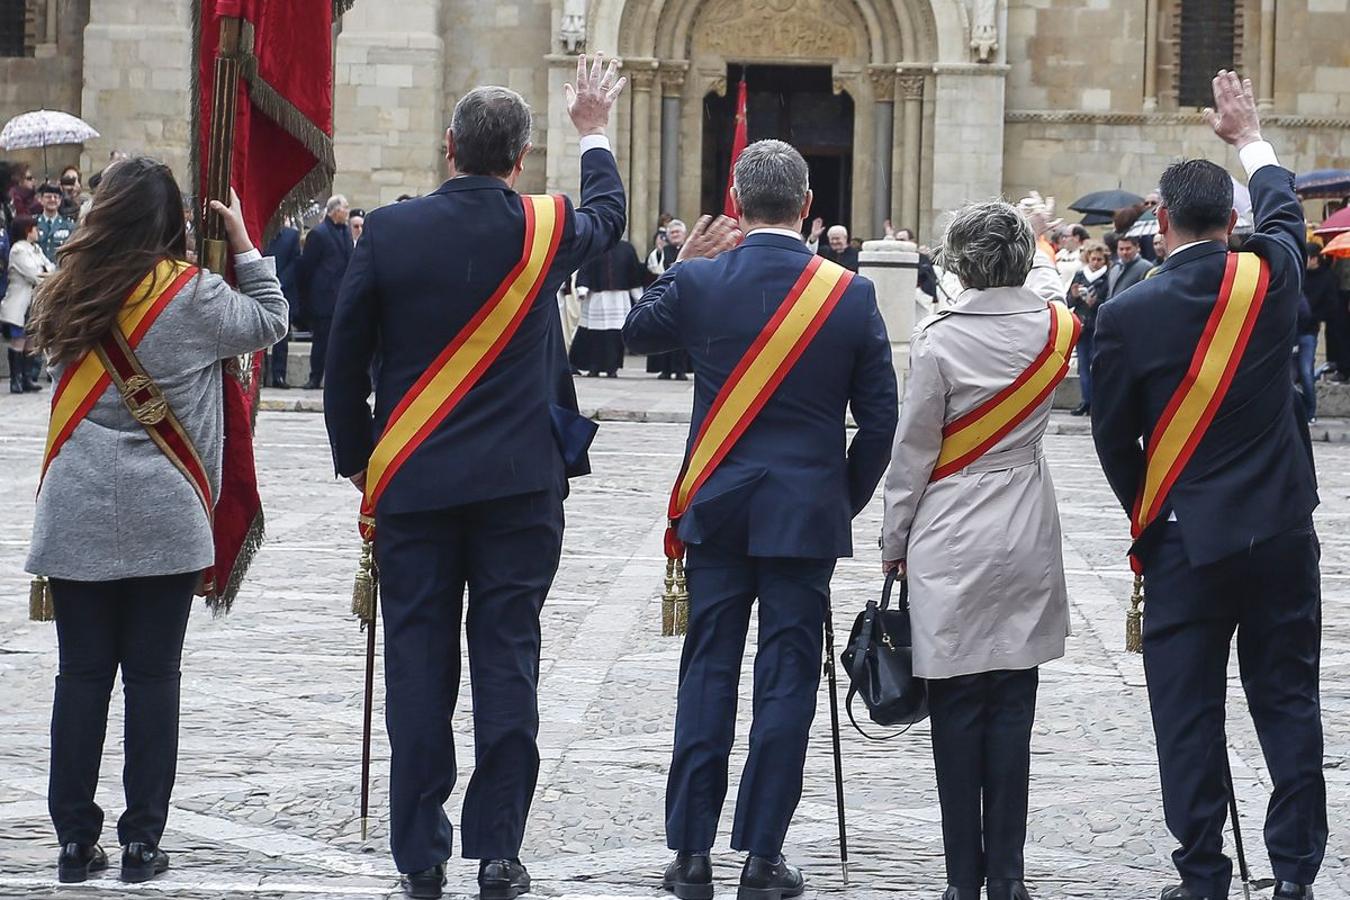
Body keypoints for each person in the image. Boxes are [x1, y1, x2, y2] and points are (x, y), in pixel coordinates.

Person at [323, 55, 627, 900]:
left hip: (415, 484)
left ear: (447, 146)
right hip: (520, 490)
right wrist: (594, 129)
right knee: (508, 663)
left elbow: (343, 363)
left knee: (418, 666)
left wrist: (358, 458)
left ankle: (421, 849)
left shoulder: (386, 229)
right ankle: (498, 848)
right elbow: (610, 211)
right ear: (520, 159)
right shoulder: (545, 225)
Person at [624, 140, 897, 900]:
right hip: (803, 516)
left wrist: (682, 263)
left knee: (707, 673)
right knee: (785, 683)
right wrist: (838, 498)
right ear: (808, 207)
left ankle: (689, 853)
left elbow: (637, 332)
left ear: (737, 205)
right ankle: (762, 854)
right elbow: (880, 422)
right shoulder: (850, 294)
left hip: (718, 509)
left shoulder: (704, 281)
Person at [1091, 71, 1325, 900]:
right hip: (1281, 534)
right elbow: (1286, 214)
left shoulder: (1124, 316)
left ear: (1160, 222)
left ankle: (1203, 877)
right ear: (1233, 224)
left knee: (1187, 714)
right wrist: (1250, 135)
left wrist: (1149, 513)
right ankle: (1295, 875)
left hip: (1186, 540)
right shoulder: (1272, 278)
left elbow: (1115, 439)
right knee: (1289, 701)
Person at [23, 157, 286, 886]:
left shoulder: (65, 288)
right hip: (167, 513)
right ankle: (143, 841)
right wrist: (239, 243)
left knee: (80, 679)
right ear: (174, 221)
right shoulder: (194, 296)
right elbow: (271, 320)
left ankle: (75, 841)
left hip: (75, 509)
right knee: (151, 680)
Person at [881, 201, 1075, 900]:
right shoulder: (1055, 330)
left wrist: (893, 541)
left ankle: (963, 879)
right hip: (1025, 520)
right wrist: (1045, 236)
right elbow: (1052, 291)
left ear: (958, 262)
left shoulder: (939, 340)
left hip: (950, 527)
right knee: (1015, 700)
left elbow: (913, 454)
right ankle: (1009, 878)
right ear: (1023, 258)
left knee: (958, 704)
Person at [297, 194, 352, 389]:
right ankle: (315, 376)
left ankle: (335, 379)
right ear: (335, 210)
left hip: (341, 297)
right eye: (345, 207)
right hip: (323, 298)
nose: (347, 211)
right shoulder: (318, 234)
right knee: (321, 341)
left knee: (340, 342)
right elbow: (307, 267)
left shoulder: (345, 232)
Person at [569, 238, 644, 377]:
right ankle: (593, 366)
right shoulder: (594, 245)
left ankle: (612, 367)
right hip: (596, 298)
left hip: (619, 299)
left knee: (615, 336)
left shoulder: (627, 249)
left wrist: (638, 296)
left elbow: (633, 272)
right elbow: (585, 268)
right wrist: (582, 289)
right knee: (594, 335)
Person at [1, 215, 55, 392]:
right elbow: (33, 274)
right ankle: (15, 380)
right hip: (20, 301)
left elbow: (50, 267)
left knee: (31, 339)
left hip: (34, 301)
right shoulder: (18, 250)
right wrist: (45, 273)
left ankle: (27, 378)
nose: (37, 231)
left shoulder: (36, 249)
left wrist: (46, 273)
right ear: (27, 230)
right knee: (19, 339)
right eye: (34, 228)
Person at [1067, 239, 1110, 416]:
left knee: (1097, 365)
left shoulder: (1108, 276)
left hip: (1099, 323)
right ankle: (1086, 400)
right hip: (1083, 324)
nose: (1096, 262)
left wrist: (1095, 302)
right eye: (1093, 259)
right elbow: (1069, 300)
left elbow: (1109, 299)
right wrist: (1074, 295)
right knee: (1083, 365)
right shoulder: (1080, 275)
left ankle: (1097, 402)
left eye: (1099, 259)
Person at [645, 218, 691, 379]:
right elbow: (653, 268)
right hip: (666, 296)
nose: (675, 235)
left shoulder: (691, 249)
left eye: (678, 232)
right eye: (672, 232)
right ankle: (665, 369)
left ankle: (680, 370)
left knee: (682, 335)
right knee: (665, 333)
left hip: (685, 296)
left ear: (685, 234)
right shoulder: (662, 251)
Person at [263, 218, 303, 388]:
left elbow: (295, 263)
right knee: (259, 334)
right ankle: (261, 375)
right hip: (260, 289)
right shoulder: (260, 234)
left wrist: (279, 282)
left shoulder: (291, 236)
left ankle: (279, 375)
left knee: (282, 337)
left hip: (283, 291)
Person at [36, 184, 76, 264]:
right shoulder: (33, 224)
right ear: (40, 199)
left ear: (60, 201)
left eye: (56, 197)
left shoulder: (69, 226)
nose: (52, 199)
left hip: (60, 272)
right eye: (48, 197)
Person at [1105, 234, 1149, 300]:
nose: (1124, 252)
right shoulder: (1114, 268)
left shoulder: (1146, 267)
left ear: (1137, 247)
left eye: (1128, 249)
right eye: (1121, 249)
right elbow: (1110, 294)